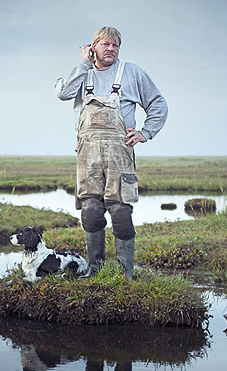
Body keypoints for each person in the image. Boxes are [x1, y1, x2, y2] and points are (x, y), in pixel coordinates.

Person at [55, 26, 167, 280]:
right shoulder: (82, 73)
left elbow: (158, 103)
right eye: (106, 44)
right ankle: (95, 269)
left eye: (116, 45)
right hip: (88, 152)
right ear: (93, 47)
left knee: (121, 211)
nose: (112, 49)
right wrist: (83, 64)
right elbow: (62, 93)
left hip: (120, 151)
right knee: (91, 209)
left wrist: (145, 132)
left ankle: (125, 272)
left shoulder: (132, 72)